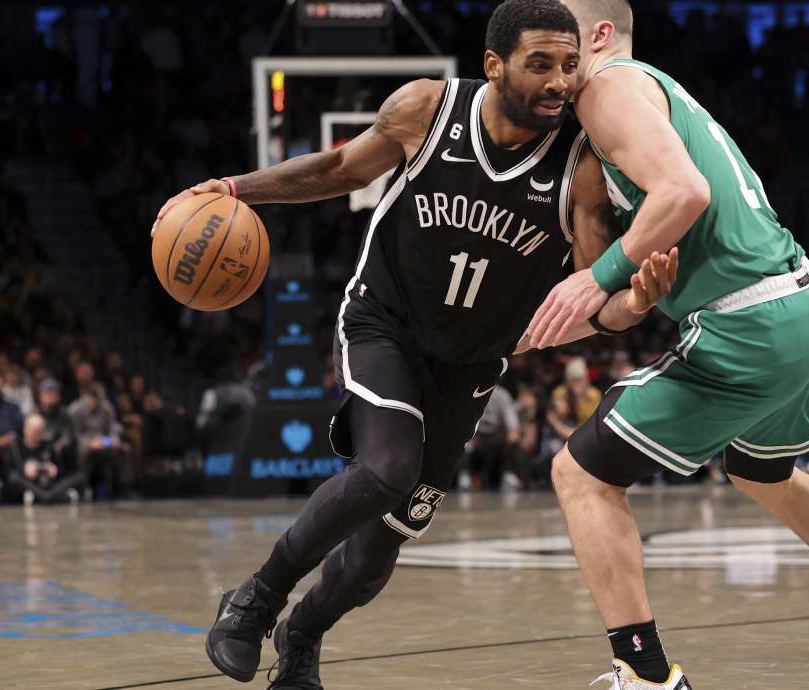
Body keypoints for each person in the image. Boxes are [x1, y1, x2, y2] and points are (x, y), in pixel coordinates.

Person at [151, 2, 677, 687]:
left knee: (373, 561)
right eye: (540, 64)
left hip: (469, 366)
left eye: (569, 65)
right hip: (384, 322)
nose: (559, 81)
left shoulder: (579, 166)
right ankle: (255, 598)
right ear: (494, 65)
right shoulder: (429, 109)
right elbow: (338, 169)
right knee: (387, 467)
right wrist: (233, 189)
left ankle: (301, 637)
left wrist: (636, 301)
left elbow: (591, 291)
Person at [528, 2, 809, 688]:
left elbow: (684, 191)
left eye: (560, 40)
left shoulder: (609, 87)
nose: (551, 59)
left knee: (581, 473)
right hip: (805, 302)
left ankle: (646, 675)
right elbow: (625, 295)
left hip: (748, 322)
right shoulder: (649, 97)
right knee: (760, 473)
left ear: (598, 36)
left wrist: (594, 279)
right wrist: (607, 296)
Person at [5, 414, 87, 505]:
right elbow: (9, 471)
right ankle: (54, 497)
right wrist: (24, 470)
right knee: (14, 478)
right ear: (26, 429)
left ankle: (46, 497)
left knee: (79, 477)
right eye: (34, 431)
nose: (37, 434)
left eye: (40, 431)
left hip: (48, 484)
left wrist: (54, 469)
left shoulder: (48, 445)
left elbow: (61, 470)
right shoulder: (16, 446)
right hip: (29, 484)